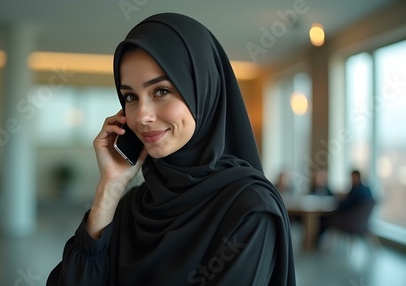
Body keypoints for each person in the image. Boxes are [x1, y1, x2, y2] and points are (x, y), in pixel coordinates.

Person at [47, 13, 295, 286]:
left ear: (203, 92)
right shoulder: (131, 206)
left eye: (161, 91)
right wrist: (109, 188)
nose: (141, 116)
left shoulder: (249, 209)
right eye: (130, 97)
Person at [318, 170, 375, 243]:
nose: (351, 180)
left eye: (352, 177)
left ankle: (314, 242)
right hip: (362, 223)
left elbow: (345, 205)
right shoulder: (367, 189)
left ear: (357, 177)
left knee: (324, 219)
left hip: (350, 222)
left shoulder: (356, 190)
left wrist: (339, 200)